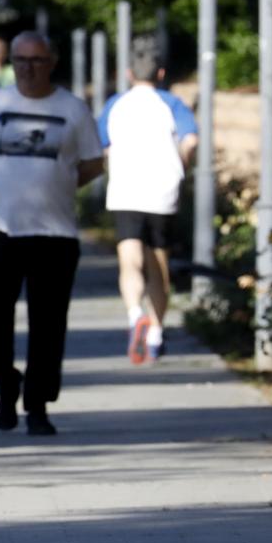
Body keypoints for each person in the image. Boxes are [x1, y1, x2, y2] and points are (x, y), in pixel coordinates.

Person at [0, 31, 104, 436]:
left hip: (55, 231)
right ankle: (6, 380)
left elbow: (93, 163)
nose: (28, 68)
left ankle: (37, 404)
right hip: (0, 227)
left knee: (49, 322)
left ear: (52, 62)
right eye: (21, 60)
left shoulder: (72, 109)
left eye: (36, 60)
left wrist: (56, 184)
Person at [98, 38, 198, 365]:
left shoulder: (116, 104)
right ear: (161, 72)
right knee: (159, 262)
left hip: (127, 189)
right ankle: (155, 332)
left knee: (130, 259)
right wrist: (183, 163)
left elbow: (104, 146)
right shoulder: (172, 104)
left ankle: (133, 313)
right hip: (162, 190)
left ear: (128, 72)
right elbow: (191, 140)